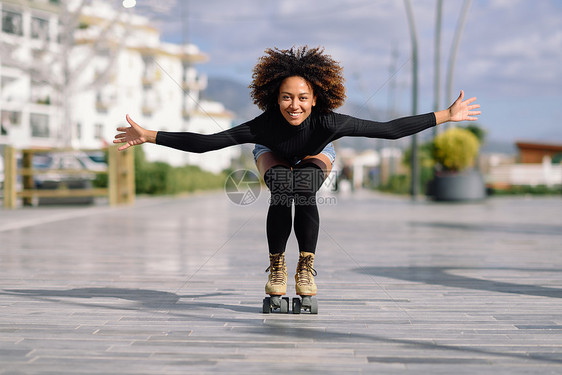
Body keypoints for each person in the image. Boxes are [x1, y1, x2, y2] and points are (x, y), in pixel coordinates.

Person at [114, 46, 480, 301]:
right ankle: (277, 267)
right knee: (281, 189)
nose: (295, 105)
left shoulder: (330, 122)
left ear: (316, 98)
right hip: (271, 152)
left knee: (302, 187)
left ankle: (305, 266)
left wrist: (446, 115)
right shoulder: (263, 126)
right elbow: (208, 143)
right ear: (276, 98)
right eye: (287, 97)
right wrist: (149, 135)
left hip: (316, 153)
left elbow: (389, 130)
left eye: (303, 97)